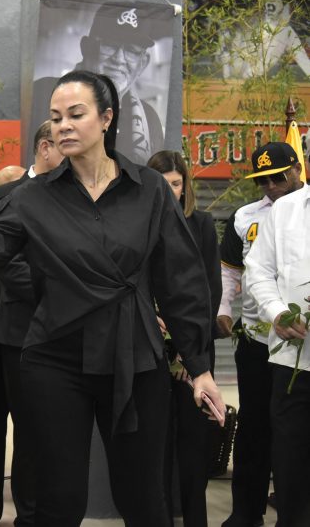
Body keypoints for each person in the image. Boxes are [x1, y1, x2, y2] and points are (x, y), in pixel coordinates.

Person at [0, 70, 224, 526]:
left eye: (76, 114)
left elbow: (182, 281)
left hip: (134, 357)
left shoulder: (150, 189)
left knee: (143, 497)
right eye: (56, 118)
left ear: (106, 119)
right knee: (56, 499)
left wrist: (200, 368)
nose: (64, 126)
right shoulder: (32, 197)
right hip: (54, 359)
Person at [0, 118, 65, 526]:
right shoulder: (7, 196)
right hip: (19, 333)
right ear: (45, 148)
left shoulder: (81, 197)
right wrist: (65, 291)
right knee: (21, 435)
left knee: (54, 437)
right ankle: (15, 515)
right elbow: (4, 261)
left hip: (68, 337)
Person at [219, 142, 303, 527]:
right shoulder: (244, 216)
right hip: (256, 341)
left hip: (298, 348)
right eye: (263, 180)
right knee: (255, 428)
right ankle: (245, 512)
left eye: (278, 177)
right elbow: (235, 271)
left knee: (293, 436)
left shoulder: (299, 211)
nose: (271, 185)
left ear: (296, 171)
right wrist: (223, 308)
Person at [148, 150, 222, 527]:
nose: (169, 191)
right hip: (148, 351)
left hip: (193, 354)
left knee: (193, 445)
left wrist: (188, 353)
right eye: (161, 184)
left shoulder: (202, 224)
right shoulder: (138, 224)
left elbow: (209, 292)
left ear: (185, 185)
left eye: (175, 184)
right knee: (153, 448)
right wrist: (151, 318)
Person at [243, 146, 310, 526]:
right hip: (292, 362)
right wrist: (276, 312)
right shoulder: (285, 210)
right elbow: (257, 271)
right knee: (291, 467)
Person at [32, 3, 164, 165]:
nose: (119, 59)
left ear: (143, 63)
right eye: (109, 45)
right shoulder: (44, 94)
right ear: (86, 47)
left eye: (132, 51)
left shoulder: (149, 119)